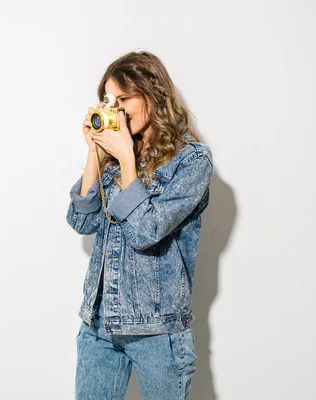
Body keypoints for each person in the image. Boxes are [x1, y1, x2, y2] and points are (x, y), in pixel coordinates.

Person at [66, 50, 213, 400]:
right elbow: (81, 221)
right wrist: (95, 154)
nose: (115, 108)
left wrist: (126, 158)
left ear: (152, 95)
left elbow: (145, 232)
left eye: (124, 99)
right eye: (109, 100)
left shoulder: (191, 161)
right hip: (100, 323)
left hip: (157, 330)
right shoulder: (117, 155)